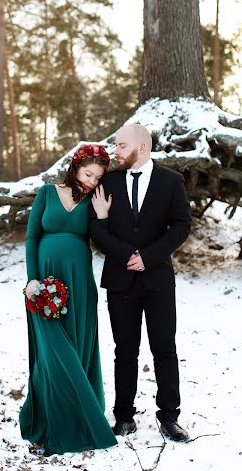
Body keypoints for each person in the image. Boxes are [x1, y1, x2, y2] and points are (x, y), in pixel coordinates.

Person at [90, 124, 191, 442]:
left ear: (141, 147)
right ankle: (123, 417)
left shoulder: (171, 181)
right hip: (120, 280)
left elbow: (181, 225)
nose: (115, 152)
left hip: (158, 278)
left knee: (165, 349)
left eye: (121, 146)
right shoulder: (108, 181)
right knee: (125, 352)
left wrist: (148, 256)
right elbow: (96, 226)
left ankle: (170, 417)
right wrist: (125, 255)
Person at [19, 144, 118, 456]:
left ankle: (80, 417)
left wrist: (102, 218)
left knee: (77, 346)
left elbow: (103, 245)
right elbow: (32, 237)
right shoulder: (47, 194)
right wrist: (32, 279)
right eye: (88, 174)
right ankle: (52, 418)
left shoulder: (93, 200)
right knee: (52, 352)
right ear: (75, 167)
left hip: (78, 285)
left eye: (97, 177)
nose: (91, 181)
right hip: (44, 283)